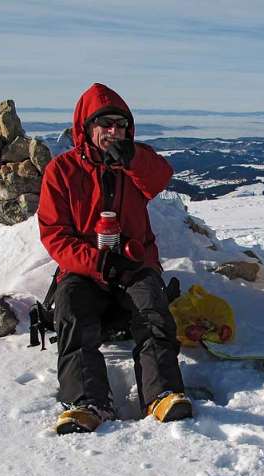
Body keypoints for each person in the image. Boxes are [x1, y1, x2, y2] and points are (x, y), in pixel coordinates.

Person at [38, 82, 191, 434]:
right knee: (73, 310)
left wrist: (131, 158)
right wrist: (95, 262)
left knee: (152, 311)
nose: (113, 132)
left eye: (120, 125)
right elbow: (54, 234)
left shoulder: (135, 165)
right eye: (104, 124)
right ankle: (86, 401)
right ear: (86, 129)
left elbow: (161, 177)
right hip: (84, 270)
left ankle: (162, 392)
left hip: (134, 264)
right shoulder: (61, 171)